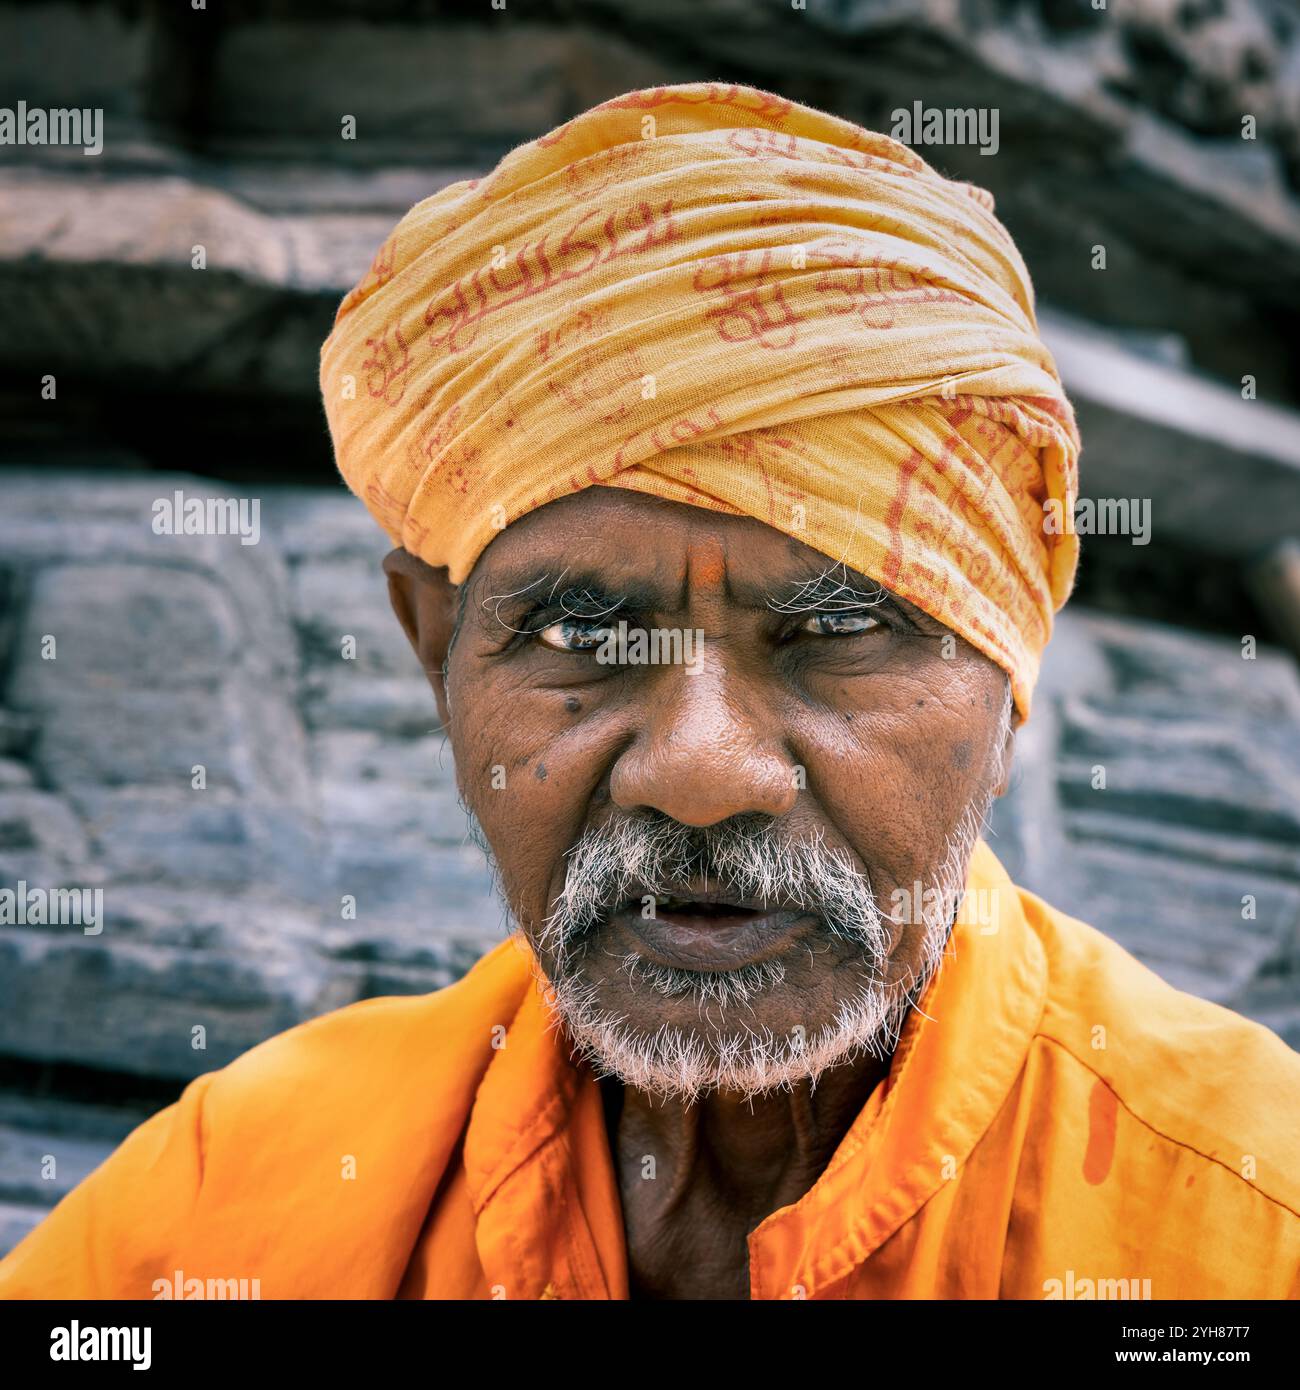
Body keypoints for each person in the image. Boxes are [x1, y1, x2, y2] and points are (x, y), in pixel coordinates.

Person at [2, 81, 1296, 1301]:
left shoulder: (1247, 1221)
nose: (698, 766)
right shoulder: (229, 1197)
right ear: (435, 650)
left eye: (839, 627)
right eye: (578, 626)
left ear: (1010, 689)